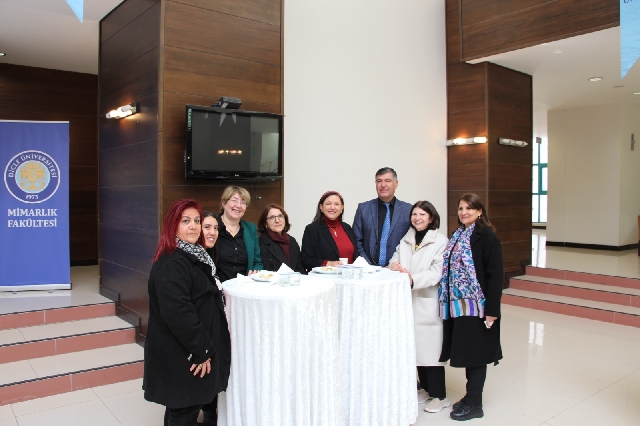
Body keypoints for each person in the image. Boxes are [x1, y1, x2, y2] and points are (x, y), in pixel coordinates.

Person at [143, 199, 231, 426]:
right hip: (184, 354)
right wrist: (202, 350)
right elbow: (178, 313)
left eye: (196, 221)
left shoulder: (195, 255)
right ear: (173, 226)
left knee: (181, 408)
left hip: (189, 350)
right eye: (185, 221)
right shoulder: (172, 263)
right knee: (184, 410)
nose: (193, 226)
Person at [438, 193, 503, 421]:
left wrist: (492, 311)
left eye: (469, 208)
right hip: (459, 306)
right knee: (468, 352)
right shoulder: (458, 235)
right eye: (460, 208)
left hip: (478, 307)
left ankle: (475, 404)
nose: (464, 212)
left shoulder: (487, 236)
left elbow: (495, 275)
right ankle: (470, 397)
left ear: (479, 211)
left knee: (476, 355)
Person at [389, 201, 450, 413]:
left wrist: (412, 279)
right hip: (407, 301)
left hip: (427, 301)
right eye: (414, 214)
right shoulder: (407, 239)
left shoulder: (440, 241)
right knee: (415, 350)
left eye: (422, 214)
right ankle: (424, 389)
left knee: (431, 352)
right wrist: (394, 265)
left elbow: (437, 272)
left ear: (431, 217)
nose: (417, 218)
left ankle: (440, 396)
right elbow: (395, 259)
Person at [353, 167, 412, 266]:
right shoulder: (363, 209)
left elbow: (411, 242)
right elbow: (356, 240)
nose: (383, 185)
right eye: (379, 181)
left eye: (388, 181)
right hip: (368, 269)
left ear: (396, 183)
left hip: (397, 269)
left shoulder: (409, 210)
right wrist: (368, 266)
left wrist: (395, 264)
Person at [215, 186, 263, 282]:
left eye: (243, 202)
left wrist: (256, 272)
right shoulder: (211, 225)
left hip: (244, 287)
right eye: (234, 200)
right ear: (224, 203)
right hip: (216, 287)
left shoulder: (251, 228)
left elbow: (257, 262)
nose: (238, 205)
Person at [301, 190, 357, 271]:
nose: (332, 207)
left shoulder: (348, 228)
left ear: (342, 207)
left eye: (336, 204)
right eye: (328, 204)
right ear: (321, 207)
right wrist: (328, 264)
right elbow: (306, 259)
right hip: (324, 277)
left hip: (349, 276)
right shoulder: (312, 229)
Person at [200, 211, 221, 425]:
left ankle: (209, 415)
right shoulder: (189, 259)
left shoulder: (208, 256)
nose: (212, 232)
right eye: (207, 227)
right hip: (196, 337)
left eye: (215, 228)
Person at [257, 203, 306, 273]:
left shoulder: (292, 241)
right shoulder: (261, 243)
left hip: (296, 279)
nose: (277, 220)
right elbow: (266, 272)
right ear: (265, 223)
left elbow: (300, 267)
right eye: (272, 218)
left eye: (280, 216)